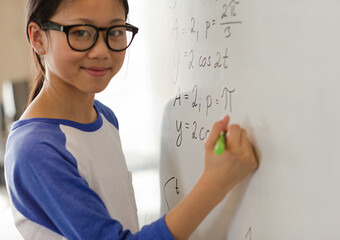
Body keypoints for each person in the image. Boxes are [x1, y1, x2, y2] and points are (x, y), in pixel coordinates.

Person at [4, 0, 259, 239]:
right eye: (81, 32)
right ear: (38, 37)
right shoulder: (35, 150)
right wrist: (214, 184)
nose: (101, 50)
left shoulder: (104, 117)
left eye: (114, 31)